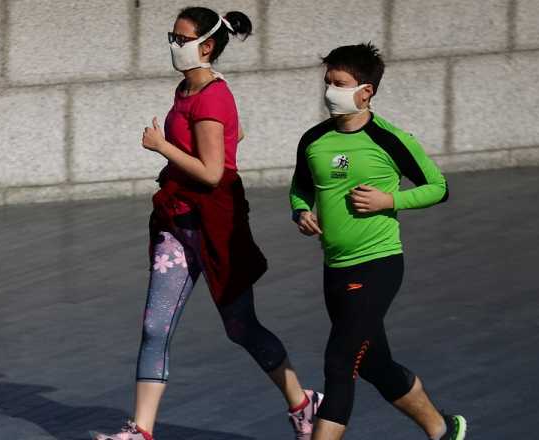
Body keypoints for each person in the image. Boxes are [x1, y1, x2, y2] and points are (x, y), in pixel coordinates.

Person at [91, 7, 320, 440]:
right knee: (155, 324)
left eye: (181, 38)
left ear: (207, 46)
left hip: (215, 224)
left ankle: (303, 404)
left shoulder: (214, 96)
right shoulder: (186, 89)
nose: (173, 45)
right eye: (172, 37)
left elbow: (214, 172)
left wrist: (161, 147)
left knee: (241, 327)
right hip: (177, 221)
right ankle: (141, 430)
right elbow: (229, 138)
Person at [289, 43, 467, 440]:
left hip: (378, 264)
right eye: (327, 82)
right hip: (334, 268)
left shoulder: (391, 139)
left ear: (365, 92)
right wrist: (300, 212)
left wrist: (391, 200)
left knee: (339, 363)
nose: (329, 91)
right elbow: (300, 188)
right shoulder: (314, 140)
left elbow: (438, 187)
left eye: (339, 83)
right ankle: (443, 430)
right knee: (372, 363)